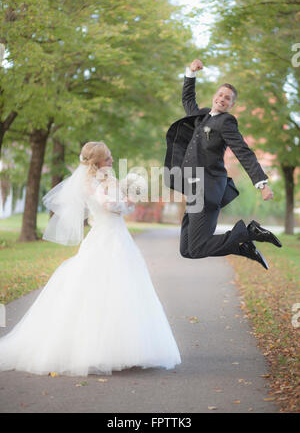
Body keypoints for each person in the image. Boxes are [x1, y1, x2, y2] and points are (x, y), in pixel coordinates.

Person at [0, 142, 181, 376]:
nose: (112, 160)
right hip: (107, 238)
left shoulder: (104, 178)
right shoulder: (91, 183)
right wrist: (127, 203)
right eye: (107, 158)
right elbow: (106, 205)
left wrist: (125, 195)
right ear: (96, 163)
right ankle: (96, 350)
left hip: (116, 235)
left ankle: (124, 348)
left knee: (124, 290)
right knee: (101, 288)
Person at [164, 59, 282, 270]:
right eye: (220, 95)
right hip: (193, 191)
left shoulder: (226, 122)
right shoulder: (200, 116)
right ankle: (242, 246)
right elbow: (188, 98)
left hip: (208, 190)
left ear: (231, 104)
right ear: (214, 96)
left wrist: (262, 184)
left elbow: (243, 152)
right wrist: (191, 72)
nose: (222, 99)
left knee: (198, 247)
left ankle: (249, 233)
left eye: (227, 98)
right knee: (187, 250)